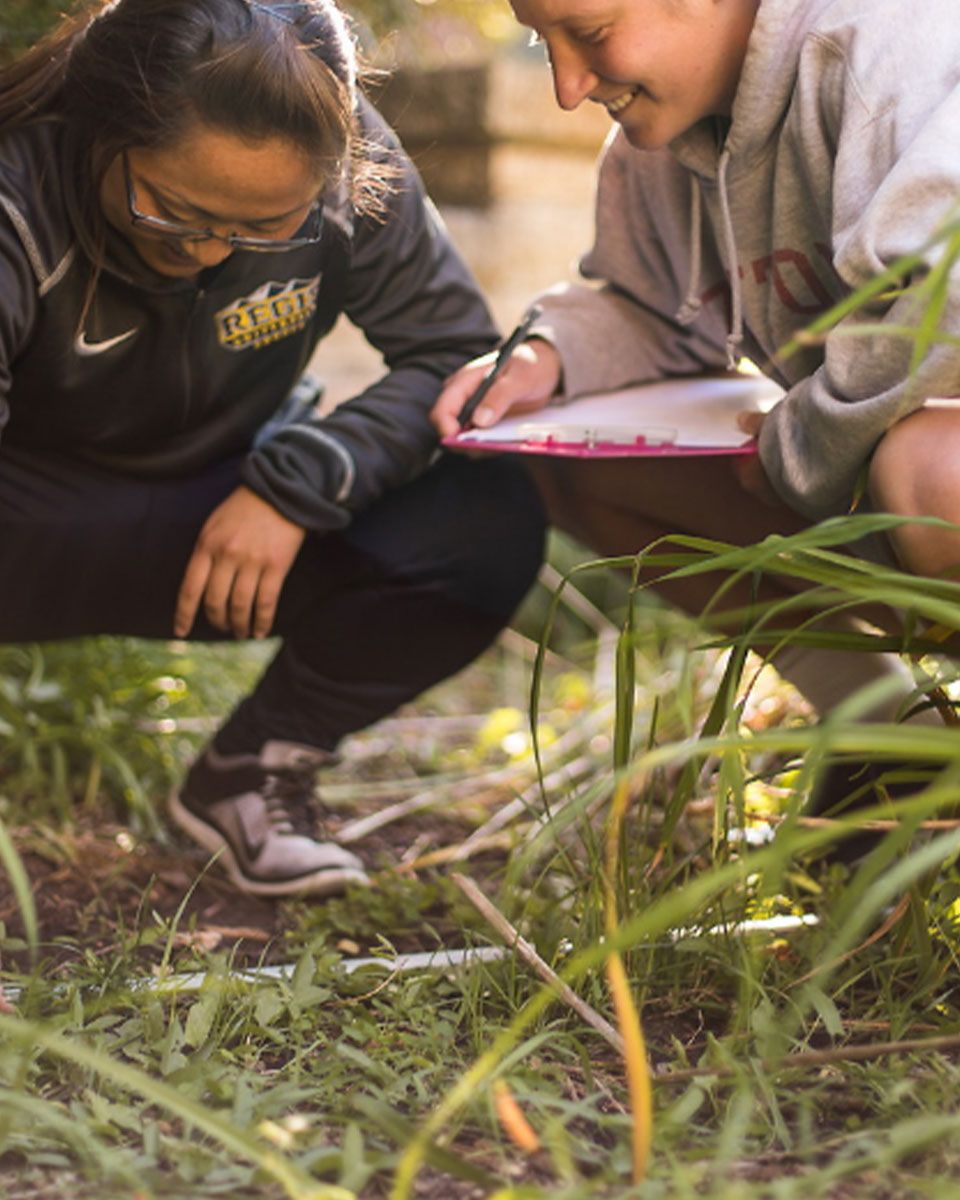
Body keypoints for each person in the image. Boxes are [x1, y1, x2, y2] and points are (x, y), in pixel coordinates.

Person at [0, 0, 545, 897]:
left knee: (487, 516)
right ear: (99, 131)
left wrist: (301, 484)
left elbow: (455, 360)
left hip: (224, 508)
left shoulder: (343, 157)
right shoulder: (16, 198)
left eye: (262, 228)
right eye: (174, 213)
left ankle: (246, 775)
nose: (213, 255)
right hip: (29, 520)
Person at [433, 0, 960, 820]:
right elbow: (647, 304)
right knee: (573, 456)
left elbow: (945, 293)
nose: (569, 87)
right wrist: (552, 355)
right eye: (546, 45)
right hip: (852, 483)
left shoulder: (892, 45)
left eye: (592, 33)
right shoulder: (661, 140)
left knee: (935, 473)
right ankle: (893, 745)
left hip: (922, 487)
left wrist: (803, 445)